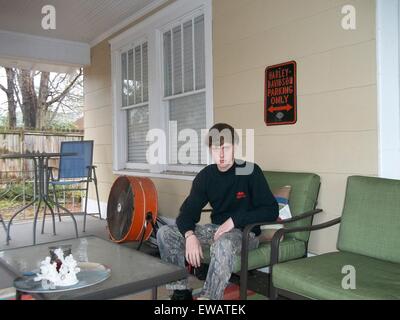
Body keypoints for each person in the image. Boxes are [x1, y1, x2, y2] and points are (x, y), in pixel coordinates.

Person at [157, 123, 279, 300]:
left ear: (235, 148)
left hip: (245, 233)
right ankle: (180, 291)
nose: (221, 155)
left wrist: (235, 220)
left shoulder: (250, 171)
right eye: (215, 149)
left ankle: (209, 298)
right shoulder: (206, 176)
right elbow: (187, 212)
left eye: (226, 148)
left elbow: (271, 210)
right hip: (215, 230)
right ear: (210, 150)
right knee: (165, 232)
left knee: (224, 244)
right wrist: (189, 235)